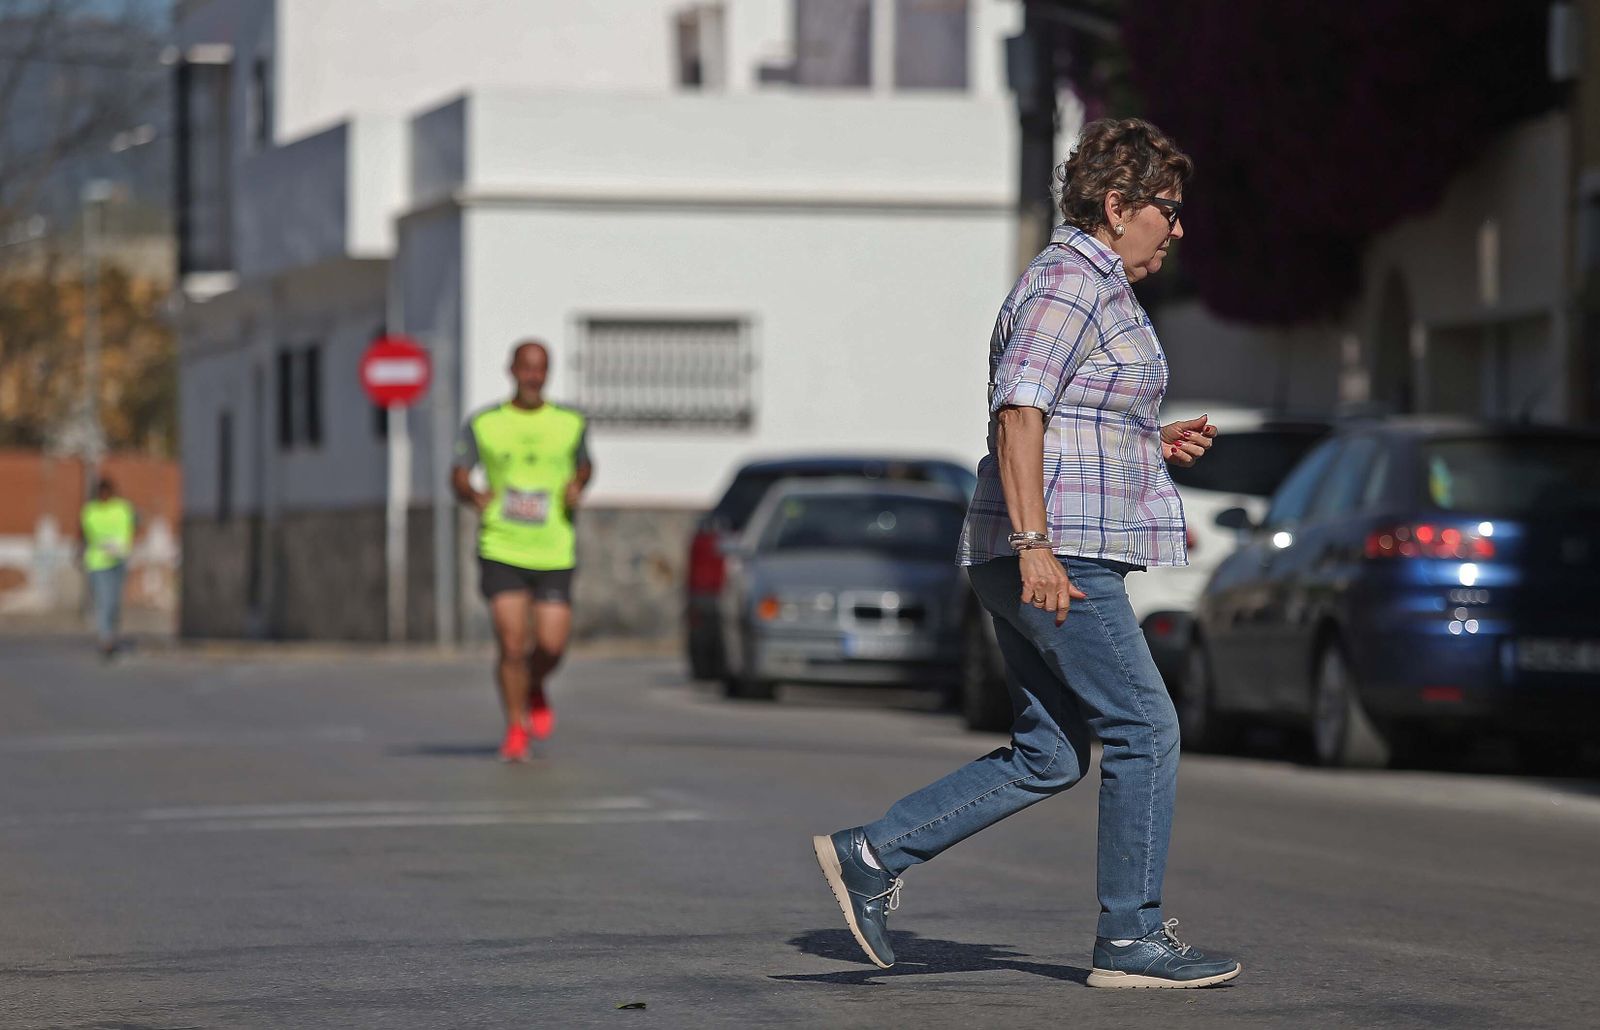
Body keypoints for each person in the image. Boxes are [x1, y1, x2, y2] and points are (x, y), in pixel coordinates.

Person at [812, 118, 1240, 989]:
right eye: (1168, 208)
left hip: (1043, 545)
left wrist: (1142, 439)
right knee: (1145, 727)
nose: (1179, 226)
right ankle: (1130, 939)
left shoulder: (1092, 286)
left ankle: (872, 852)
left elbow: (1068, 412)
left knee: (1051, 754)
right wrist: (1035, 543)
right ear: (1118, 206)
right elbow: (1020, 412)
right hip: (1055, 551)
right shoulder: (1069, 283)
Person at [451, 340, 593, 762]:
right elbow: (458, 473)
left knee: (550, 646)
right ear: (511, 369)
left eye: (540, 369)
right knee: (512, 644)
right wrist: (470, 493)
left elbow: (585, 464)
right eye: (526, 368)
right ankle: (516, 727)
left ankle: (534, 684)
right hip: (502, 545)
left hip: (554, 549)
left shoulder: (570, 422)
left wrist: (578, 484)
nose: (533, 377)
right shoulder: (484, 423)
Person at [79, 477, 136, 658]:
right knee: (103, 601)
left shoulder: (122, 509)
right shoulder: (90, 511)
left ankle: (111, 633)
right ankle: (106, 640)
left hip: (118, 561)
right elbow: (82, 534)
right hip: (98, 563)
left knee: (113, 602)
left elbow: (134, 524)